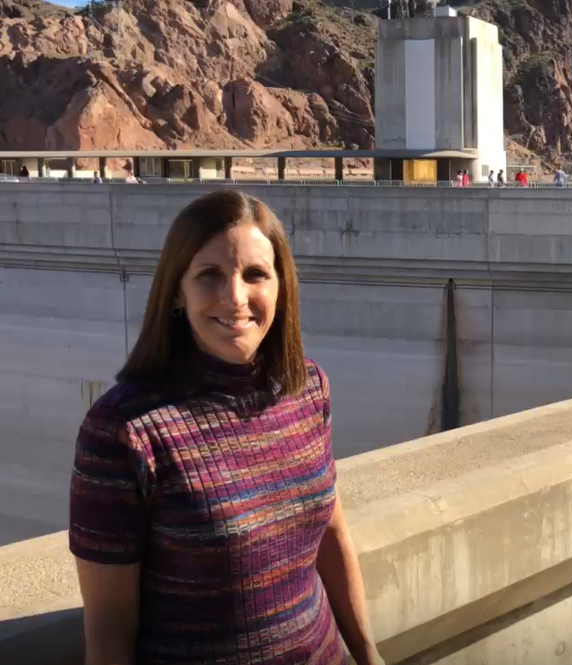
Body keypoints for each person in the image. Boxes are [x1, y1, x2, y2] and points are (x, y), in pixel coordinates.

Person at [70, 190, 385, 665]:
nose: (235, 297)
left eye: (255, 274)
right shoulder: (123, 431)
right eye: (209, 275)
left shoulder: (307, 388)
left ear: (281, 287)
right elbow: (109, 628)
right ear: (177, 291)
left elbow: (331, 534)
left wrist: (367, 652)